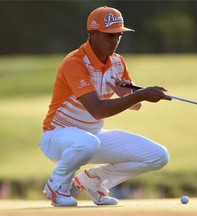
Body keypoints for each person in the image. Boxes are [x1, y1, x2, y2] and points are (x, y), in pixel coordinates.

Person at [40, 6, 172, 207]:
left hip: (93, 137)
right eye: (109, 35)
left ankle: (94, 179)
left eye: (118, 35)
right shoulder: (75, 62)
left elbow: (134, 106)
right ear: (92, 34)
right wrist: (143, 94)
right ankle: (57, 186)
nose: (115, 41)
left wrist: (131, 96)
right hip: (58, 136)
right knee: (87, 143)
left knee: (158, 156)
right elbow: (98, 109)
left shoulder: (117, 62)